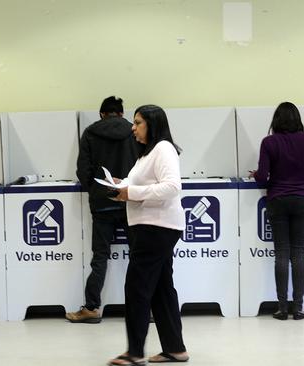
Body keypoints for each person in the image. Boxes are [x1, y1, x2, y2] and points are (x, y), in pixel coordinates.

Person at [109, 105, 188, 366]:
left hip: (157, 227)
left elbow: (171, 187)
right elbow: (145, 185)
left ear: (152, 124)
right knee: (161, 289)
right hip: (153, 225)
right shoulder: (147, 154)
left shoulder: (163, 148)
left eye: (138, 122)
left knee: (137, 287)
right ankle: (175, 349)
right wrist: (123, 185)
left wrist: (132, 192)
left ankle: (134, 352)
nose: (132, 128)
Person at [67, 96, 139, 323]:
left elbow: (83, 170)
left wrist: (96, 191)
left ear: (101, 114)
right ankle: (144, 309)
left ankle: (91, 308)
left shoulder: (90, 132)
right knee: (138, 257)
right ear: (121, 113)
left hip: (102, 204)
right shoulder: (134, 131)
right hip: (130, 201)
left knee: (100, 257)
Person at [250, 102, 304, 321]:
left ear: (275, 120)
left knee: (282, 253)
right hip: (301, 198)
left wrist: (256, 174)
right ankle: (298, 308)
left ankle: (281, 308)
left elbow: (262, 177)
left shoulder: (269, 142)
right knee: (298, 253)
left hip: (277, 199)